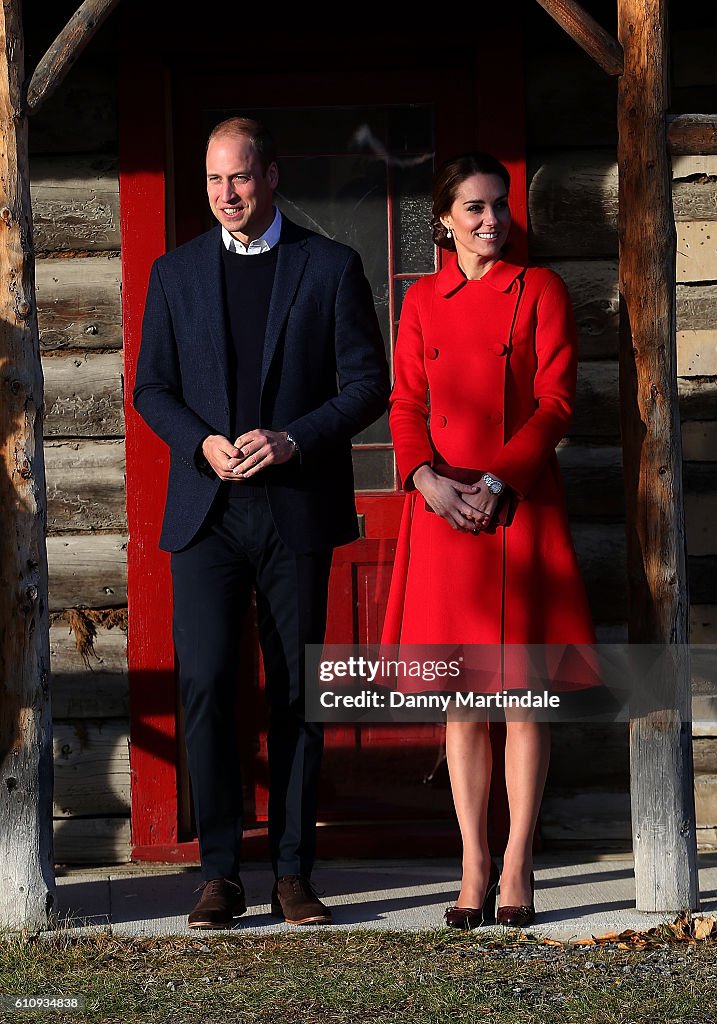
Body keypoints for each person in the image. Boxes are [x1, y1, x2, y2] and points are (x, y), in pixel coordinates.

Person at [134, 116, 389, 929]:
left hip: (293, 510)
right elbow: (151, 389)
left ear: (271, 176)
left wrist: (291, 438)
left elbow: (365, 386)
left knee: (296, 696)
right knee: (207, 686)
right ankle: (219, 874)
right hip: (205, 515)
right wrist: (200, 442)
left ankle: (290, 873)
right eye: (213, 180)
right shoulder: (173, 274)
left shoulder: (329, 266)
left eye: (238, 177)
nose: (225, 194)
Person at [381, 151, 597, 928]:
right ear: (443, 219)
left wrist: (499, 480)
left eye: (499, 206)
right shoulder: (420, 302)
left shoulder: (537, 289)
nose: (491, 220)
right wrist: (426, 482)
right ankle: (472, 864)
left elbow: (557, 400)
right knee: (462, 703)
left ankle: (517, 864)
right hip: (441, 513)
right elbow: (404, 402)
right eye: (474, 208)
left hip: (517, 504)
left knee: (520, 701)